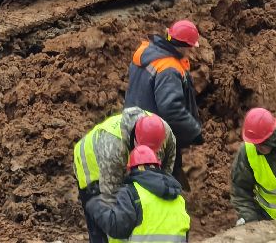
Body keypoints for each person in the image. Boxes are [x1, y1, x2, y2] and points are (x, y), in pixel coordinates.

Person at [74, 110, 176, 243]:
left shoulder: (167, 133)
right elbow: (110, 196)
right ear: (135, 140)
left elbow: (165, 178)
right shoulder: (114, 145)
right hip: (93, 169)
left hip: (124, 160)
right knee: (103, 227)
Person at [124, 20, 202, 178]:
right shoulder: (169, 69)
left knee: (140, 172)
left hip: (134, 123)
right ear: (185, 46)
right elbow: (171, 109)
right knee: (162, 175)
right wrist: (193, 131)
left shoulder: (147, 52)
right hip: (154, 132)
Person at [85, 145, 189, 242]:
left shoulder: (131, 192)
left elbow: (118, 229)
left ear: (131, 169)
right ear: (157, 166)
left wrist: (95, 204)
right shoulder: (178, 197)